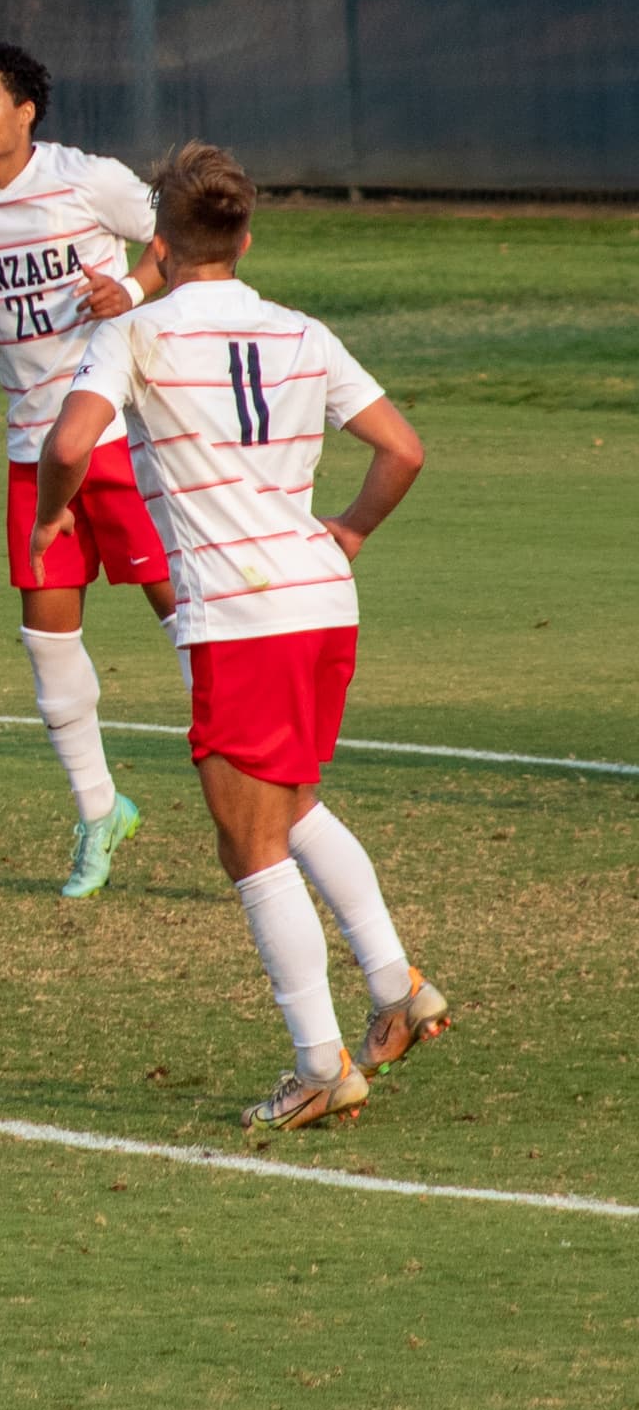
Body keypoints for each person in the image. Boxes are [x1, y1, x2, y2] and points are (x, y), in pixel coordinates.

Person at [36, 143, 441, 1131]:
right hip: (319, 601)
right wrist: (345, 530)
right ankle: (398, 988)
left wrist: (52, 515)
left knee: (250, 841)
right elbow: (403, 449)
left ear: (160, 247)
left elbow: (68, 442)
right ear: (246, 237)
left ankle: (317, 1063)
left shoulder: (137, 335)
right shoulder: (302, 331)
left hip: (241, 613)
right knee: (294, 805)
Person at [0, 43, 174, 896]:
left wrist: (133, 286)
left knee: (182, 614)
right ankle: (98, 812)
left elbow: (181, 235)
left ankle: (258, 778)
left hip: (120, 434)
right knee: (47, 641)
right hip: (30, 451)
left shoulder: (87, 179)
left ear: (26, 112)